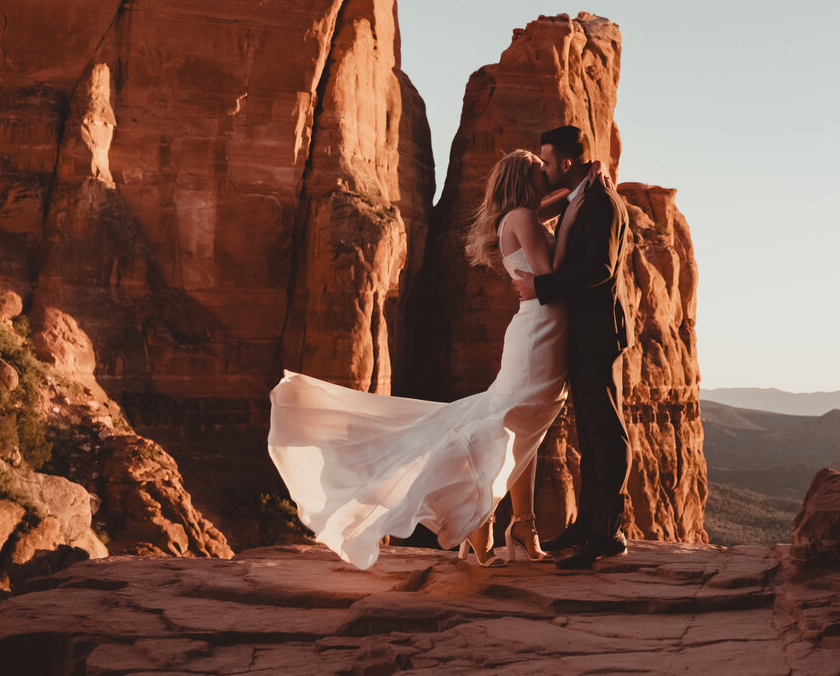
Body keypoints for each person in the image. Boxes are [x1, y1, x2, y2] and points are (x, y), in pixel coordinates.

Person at [268, 149, 604, 568]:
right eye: (541, 169)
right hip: (539, 333)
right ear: (525, 179)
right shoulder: (521, 217)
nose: (548, 174)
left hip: (541, 329)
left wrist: (576, 195)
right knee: (511, 421)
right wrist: (574, 212)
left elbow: (546, 214)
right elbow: (550, 271)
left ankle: (518, 522)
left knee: (522, 425)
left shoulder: (521, 215)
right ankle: (482, 520)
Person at [513, 125, 632, 569]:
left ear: (565, 161)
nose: (544, 168)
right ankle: (588, 523)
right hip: (584, 332)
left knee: (607, 433)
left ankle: (608, 532)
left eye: (547, 161)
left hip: (599, 331)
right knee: (591, 433)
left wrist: (540, 286)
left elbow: (599, 269)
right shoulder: (584, 193)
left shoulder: (599, 199)